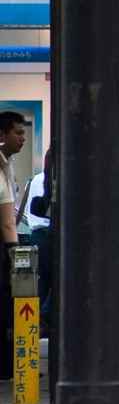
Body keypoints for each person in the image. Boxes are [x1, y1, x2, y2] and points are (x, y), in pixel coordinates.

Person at [0, 110, 28, 381]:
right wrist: (16, 255)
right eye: (17, 133)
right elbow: (7, 220)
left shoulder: (7, 164)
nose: (23, 138)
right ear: (2, 134)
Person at [20, 149, 53, 335]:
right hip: (50, 234)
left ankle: (33, 324)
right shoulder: (54, 180)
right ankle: (44, 320)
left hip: (36, 237)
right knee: (57, 283)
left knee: (39, 285)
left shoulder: (36, 179)